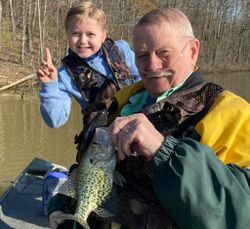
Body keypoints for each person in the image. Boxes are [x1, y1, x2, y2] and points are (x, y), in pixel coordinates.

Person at [49, 6, 250, 229]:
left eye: (164, 53)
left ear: (193, 51)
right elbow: (92, 171)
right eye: (142, 55)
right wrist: (61, 206)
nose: (152, 66)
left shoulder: (233, 114)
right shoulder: (124, 99)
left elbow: (241, 213)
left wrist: (163, 150)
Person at [36, 0, 140, 129]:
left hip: (139, 120)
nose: (82, 40)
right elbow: (55, 121)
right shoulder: (64, 75)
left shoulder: (121, 49)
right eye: (75, 34)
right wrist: (49, 85)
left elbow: (143, 79)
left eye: (90, 34)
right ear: (67, 35)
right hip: (104, 136)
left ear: (103, 36)